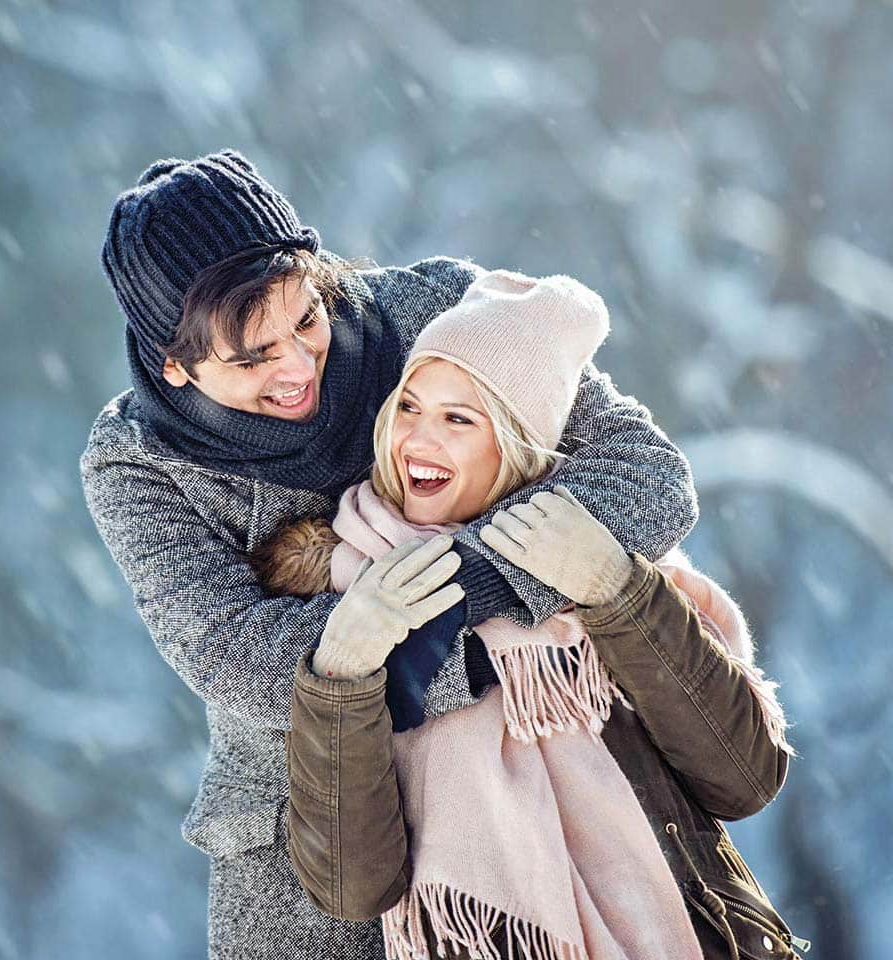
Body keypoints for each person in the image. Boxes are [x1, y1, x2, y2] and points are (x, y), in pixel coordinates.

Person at [81, 150, 699, 959]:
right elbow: (239, 657)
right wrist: (479, 648)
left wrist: (470, 583)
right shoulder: (134, 463)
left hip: (549, 785)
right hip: (319, 844)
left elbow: (649, 479)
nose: (299, 366)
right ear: (173, 364)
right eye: (251, 357)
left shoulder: (435, 313)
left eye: (306, 319)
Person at [260, 270, 803, 958]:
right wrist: (341, 674)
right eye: (410, 408)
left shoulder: (594, 558)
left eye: (459, 419)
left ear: (516, 441)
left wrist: (617, 591)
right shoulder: (347, 587)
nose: (418, 439)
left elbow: (744, 775)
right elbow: (351, 887)